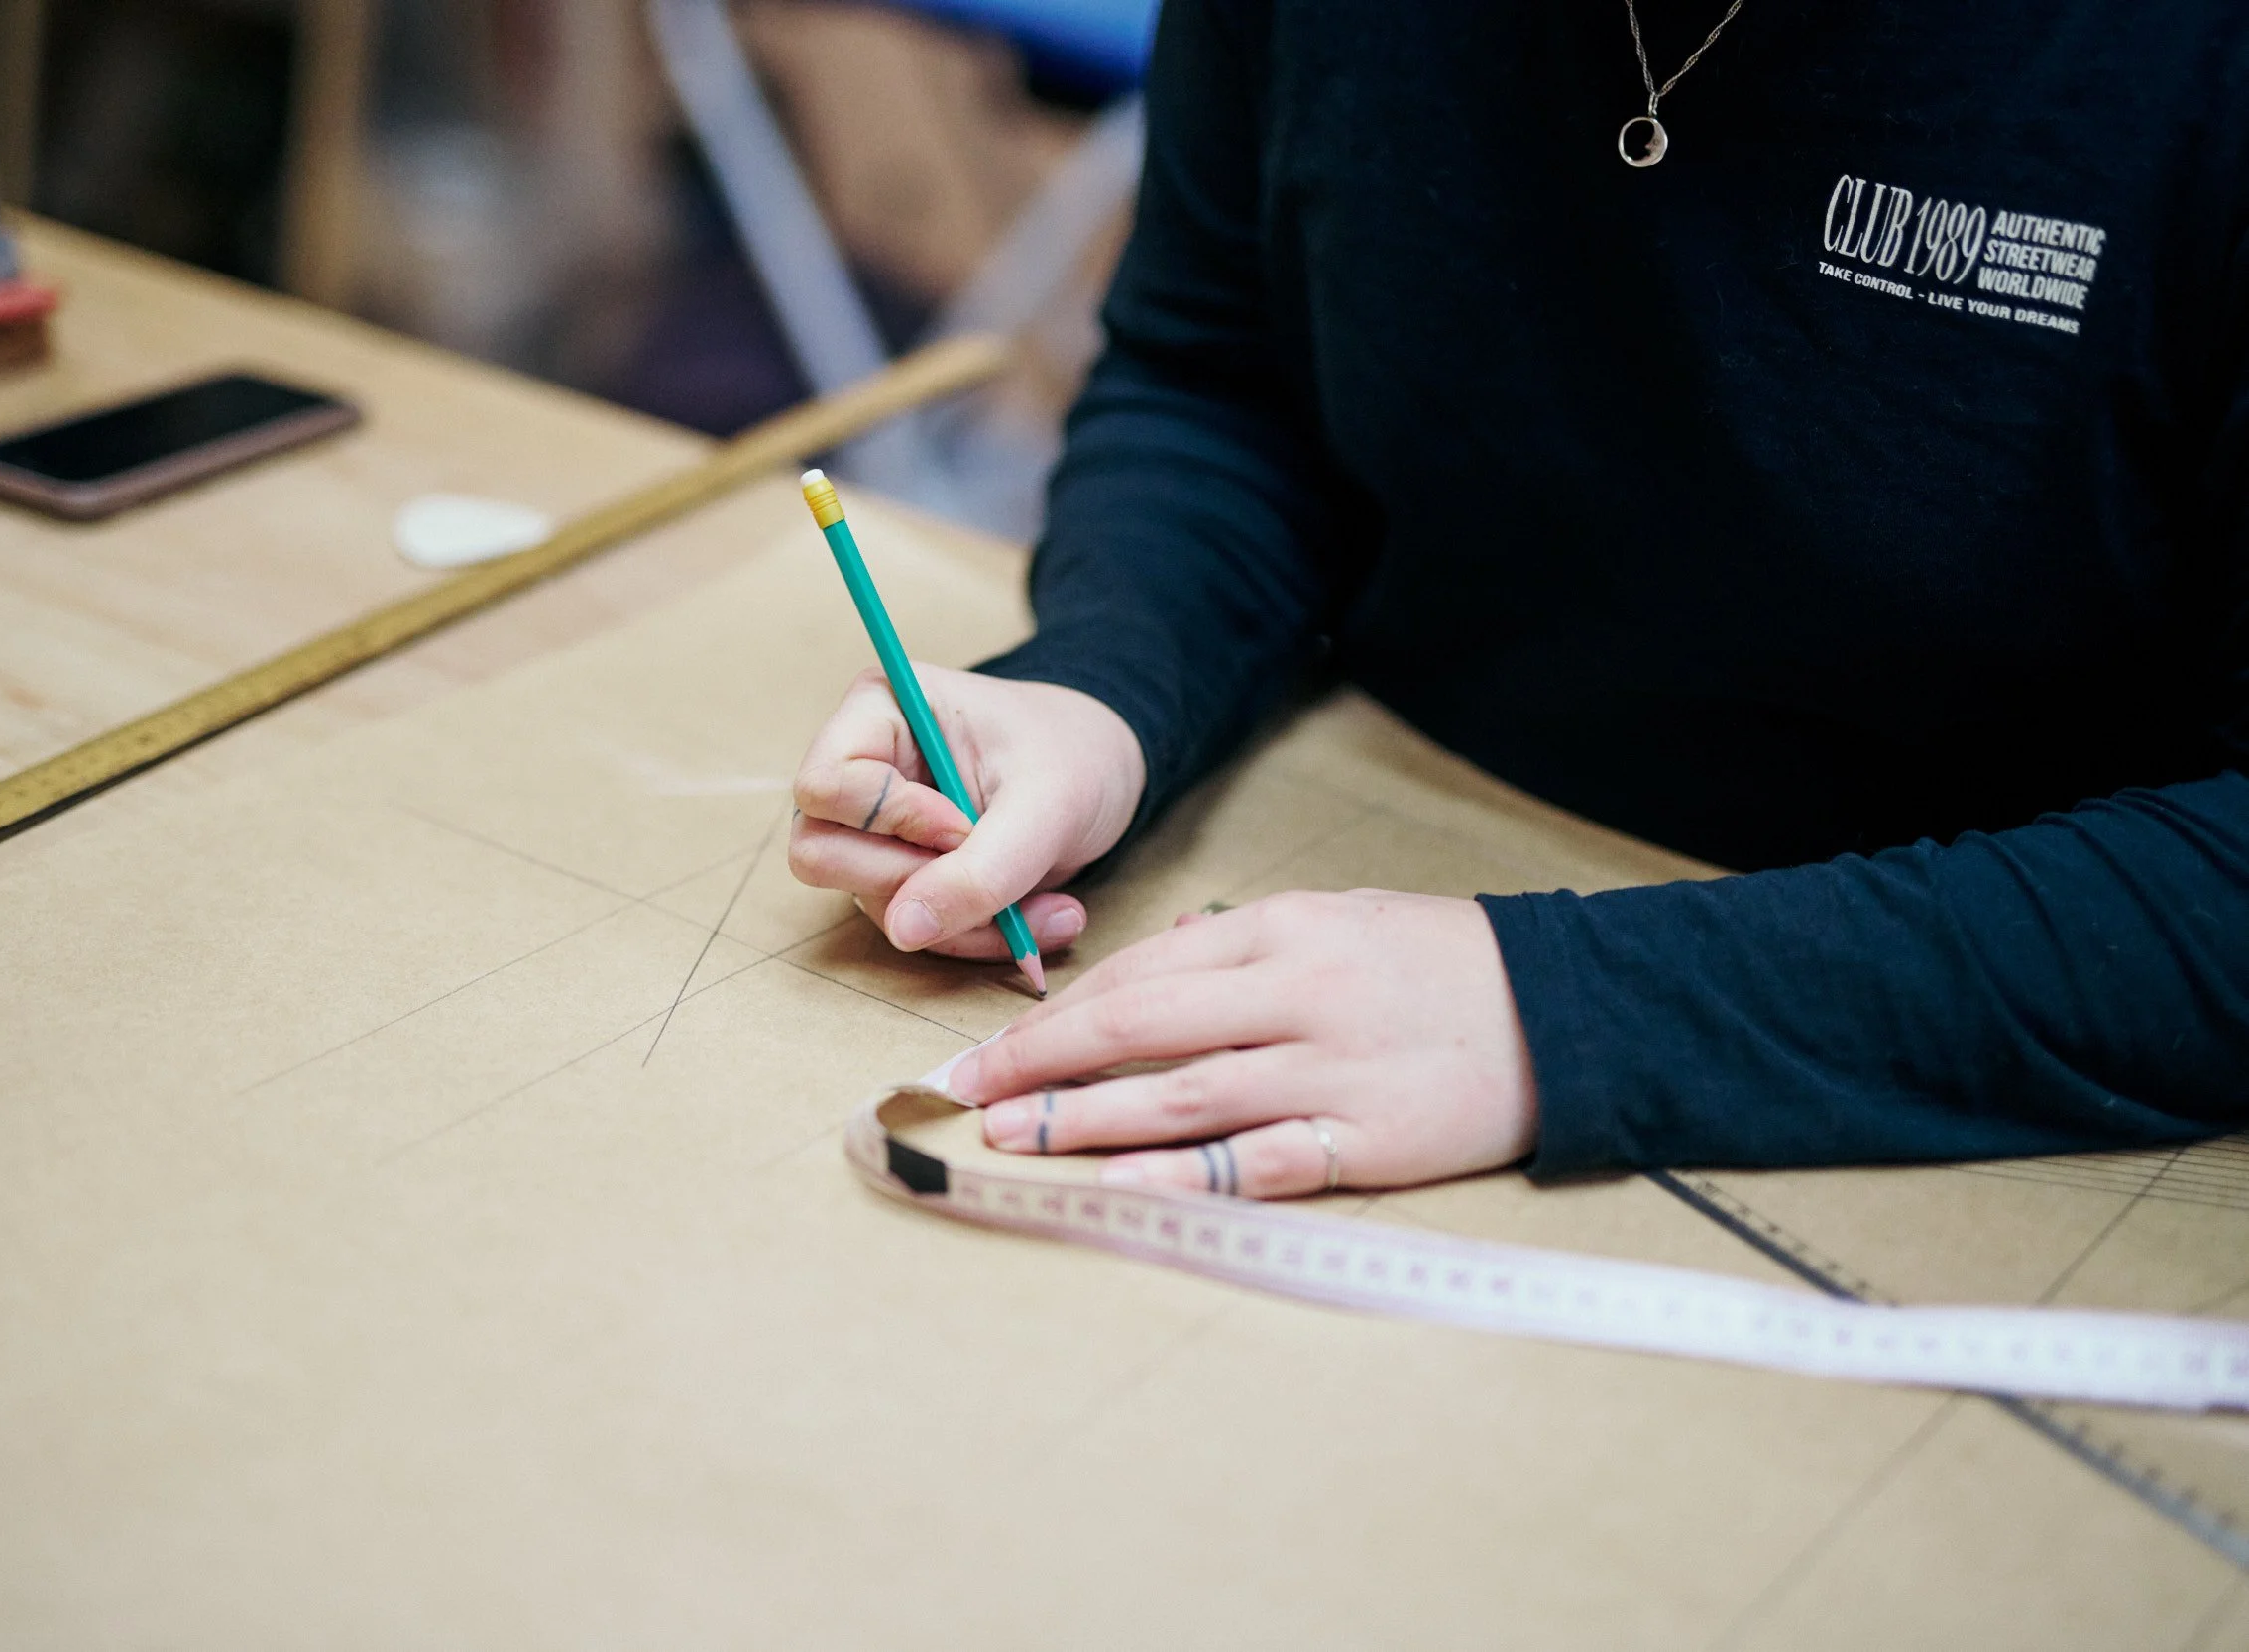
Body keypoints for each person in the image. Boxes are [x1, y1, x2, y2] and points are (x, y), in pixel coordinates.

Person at [787, 0, 2249, 1199]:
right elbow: (1222, 375)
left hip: (1996, 1053)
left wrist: (1561, 1009)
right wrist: (1104, 683)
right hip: (1396, 826)